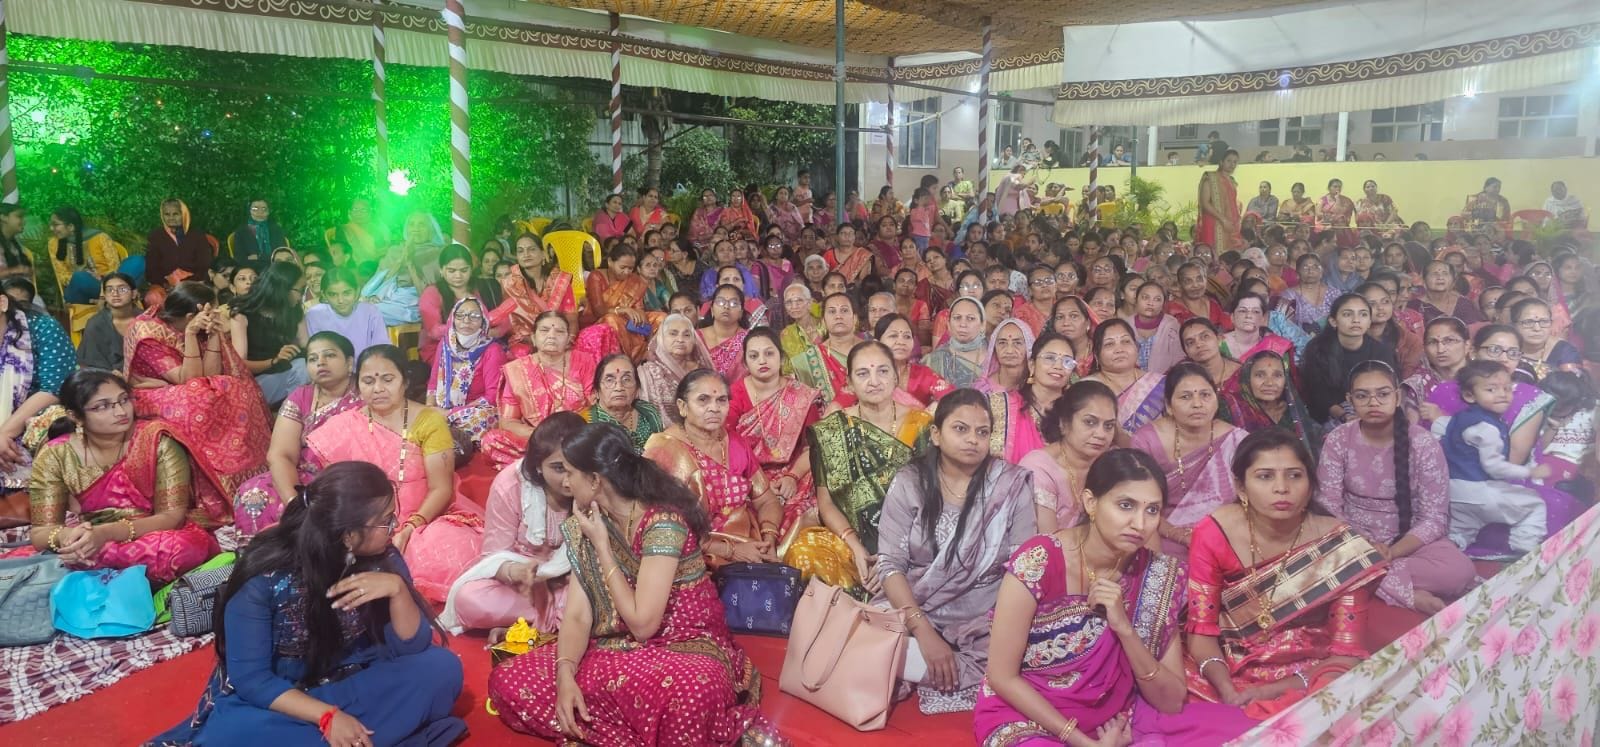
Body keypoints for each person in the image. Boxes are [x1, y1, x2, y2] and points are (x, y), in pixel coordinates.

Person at [487, 421, 780, 744]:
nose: (565, 482)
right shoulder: (586, 520)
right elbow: (578, 616)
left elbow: (643, 626)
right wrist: (565, 674)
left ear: (595, 480)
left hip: (683, 648)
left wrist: (603, 547)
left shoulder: (661, 521)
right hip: (613, 648)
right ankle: (638, 733)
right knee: (508, 681)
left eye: (570, 473)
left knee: (692, 695)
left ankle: (617, 730)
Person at [152, 462, 466, 747]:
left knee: (442, 669)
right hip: (289, 697)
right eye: (385, 521)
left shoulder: (383, 558)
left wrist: (398, 591)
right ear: (348, 536)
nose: (394, 527)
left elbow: (413, 648)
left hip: (361, 678)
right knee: (232, 735)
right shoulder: (264, 575)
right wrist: (327, 716)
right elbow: (252, 680)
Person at [976, 448, 1256, 746]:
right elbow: (1002, 676)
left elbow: (1172, 701)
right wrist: (1084, 742)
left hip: (1117, 716)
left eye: (1152, 510)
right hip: (1029, 714)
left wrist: (1124, 629)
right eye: (1126, 505)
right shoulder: (1038, 561)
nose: (1140, 523)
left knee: (1244, 735)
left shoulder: (1157, 575)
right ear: (1090, 502)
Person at [1186, 428, 1385, 721]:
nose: (1282, 488)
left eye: (1294, 475)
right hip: (1227, 666)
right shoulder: (1213, 532)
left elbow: (1346, 651)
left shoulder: (1340, 546)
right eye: (1265, 476)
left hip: (1310, 670)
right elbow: (1201, 630)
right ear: (1241, 488)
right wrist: (1226, 688)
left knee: (1339, 706)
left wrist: (1270, 691)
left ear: (1310, 485)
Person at [875, 389, 1037, 714]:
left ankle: (911, 665)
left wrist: (1002, 624)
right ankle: (922, 661)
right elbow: (890, 565)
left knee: (1029, 650)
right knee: (864, 631)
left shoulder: (1009, 485)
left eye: (982, 432)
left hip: (984, 615)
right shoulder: (910, 482)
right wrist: (923, 631)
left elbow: (1024, 568)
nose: (973, 439)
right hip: (917, 604)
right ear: (936, 434)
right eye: (960, 429)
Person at [306, 346, 483, 602]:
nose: (378, 388)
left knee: (452, 552)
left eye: (387, 379)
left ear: (405, 381)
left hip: (423, 520)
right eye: (368, 381)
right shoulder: (344, 426)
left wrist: (409, 527)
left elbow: (441, 489)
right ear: (358, 385)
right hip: (365, 521)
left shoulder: (428, 421)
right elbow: (338, 489)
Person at [24, 370, 228, 586]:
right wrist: (70, 538)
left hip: (153, 535)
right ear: (75, 416)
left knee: (181, 549)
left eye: (124, 400)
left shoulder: (157, 440)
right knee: (62, 557)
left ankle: (93, 570)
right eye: (102, 406)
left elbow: (172, 517)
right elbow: (41, 533)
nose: (120, 411)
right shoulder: (55, 454)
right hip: (91, 542)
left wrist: (106, 533)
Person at [1318, 361, 1475, 614]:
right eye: (1362, 396)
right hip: (1354, 539)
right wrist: (1365, 545)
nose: (1373, 402)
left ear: (1397, 396)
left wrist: (1391, 552)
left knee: (1460, 571)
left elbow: (1434, 517)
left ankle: (1370, 578)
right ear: (1350, 400)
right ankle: (1405, 591)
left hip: (1410, 539)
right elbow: (1330, 508)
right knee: (1317, 559)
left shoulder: (1423, 443)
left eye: (1382, 394)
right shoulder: (1338, 439)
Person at [123, 281, 271, 498]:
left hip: (187, 388)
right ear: (191, 316)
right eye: (212, 310)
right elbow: (189, 380)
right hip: (150, 394)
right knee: (199, 398)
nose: (217, 315)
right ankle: (217, 480)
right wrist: (191, 334)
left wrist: (213, 335)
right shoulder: (148, 332)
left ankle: (245, 471)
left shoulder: (200, 327)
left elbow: (209, 376)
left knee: (232, 387)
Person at [440, 413, 584, 634]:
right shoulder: (510, 485)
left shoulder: (594, 480)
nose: (569, 479)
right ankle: (558, 618)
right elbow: (494, 556)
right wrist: (517, 572)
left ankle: (544, 619)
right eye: (558, 468)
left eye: (577, 466)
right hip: (522, 587)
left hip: (576, 581)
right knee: (469, 598)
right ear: (538, 465)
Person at [232, 332, 363, 537]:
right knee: (253, 493)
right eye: (312, 358)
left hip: (350, 478)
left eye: (329, 355)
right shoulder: (301, 396)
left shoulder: (366, 393)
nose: (320, 362)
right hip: (304, 477)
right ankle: (269, 555)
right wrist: (293, 502)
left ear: (349, 363)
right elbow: (280, 454)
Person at [1130, 362, 1247, 553]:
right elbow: (1138, 503)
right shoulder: (1147, 440)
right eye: (1185, 397)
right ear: (1169, 406)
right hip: (1160, 533)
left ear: (1216, 400)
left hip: (1224, 534)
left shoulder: (1236, 441)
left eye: (1205, 395)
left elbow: (1250, 501)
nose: (1197, 404)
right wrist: (1181, 535)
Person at [727, 328, 820, 547]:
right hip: (747, 473)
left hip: (793, 471)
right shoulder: (734, 394)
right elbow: (724, 442)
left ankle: (789, 551)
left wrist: (792, 477)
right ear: (745, 363)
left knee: (808, 499)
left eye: (769, 353)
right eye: (754, 356)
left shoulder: (801, 395)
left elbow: (813, 447)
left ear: (781, 357)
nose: (762, 360)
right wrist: (759, 481)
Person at [483, 312, 598, 466]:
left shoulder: (583, 361)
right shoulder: (518, 370)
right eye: (544, 330)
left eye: (559, 331)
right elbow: (509, 421)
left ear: (568, 339)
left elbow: (596, 406)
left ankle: (542, 464)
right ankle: (555, 462)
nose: (552, 335)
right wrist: (541, 435)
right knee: (491, 441)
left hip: (576, 435)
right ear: (534, 338)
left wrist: (572, 433)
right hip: (539, 438)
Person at [1020, 380, 1117, 533]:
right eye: (1090, 422)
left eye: (1109, 426)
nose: (1101, 434)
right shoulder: (1038, 468)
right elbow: (1047, 542)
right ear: (1064, 423)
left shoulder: (1112, 465)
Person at [1299, 294, 1398, 424]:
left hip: (1372, 407)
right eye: (1347, 314)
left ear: (1369, 322)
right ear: (1333, 321)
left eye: (1363, 314)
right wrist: (1344, 416)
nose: (1356, 320)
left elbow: (1387, 390)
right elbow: (1318, 394)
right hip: (1331, 415)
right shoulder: (1317, 349)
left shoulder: (1381, 351)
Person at [988, 328, 1075, 464]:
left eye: (1067, 361)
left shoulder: (1074, 413)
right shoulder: (1001, 404)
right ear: (1032, 365)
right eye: (1050, 358)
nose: (1058, 366)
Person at [426, 297, 505, 447]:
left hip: (473, 412)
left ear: (483, 321)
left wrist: (450, 413)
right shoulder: (445, 344)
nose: (466, 320)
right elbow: (433, 381)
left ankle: (451, 435)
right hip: (442, 409)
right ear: (452, 319)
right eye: (460, 315)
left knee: (481, 418)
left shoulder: (492, 350)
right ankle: (453, 435)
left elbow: (492, 397)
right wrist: (430, 407)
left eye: (474, 316)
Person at [230, 261, 310, 406]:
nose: (301, 296)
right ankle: (292, 415)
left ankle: (293, 412)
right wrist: (274, 361)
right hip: (255, 384)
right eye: (300, 290)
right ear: (284, 289)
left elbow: (306, 344)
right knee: (301, 368)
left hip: (286, 375)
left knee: (307, 365)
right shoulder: (242, 314)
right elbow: (240, 364)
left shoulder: (294, 311)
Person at [490, 232, 578, 353]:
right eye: (520, 251)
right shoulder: (510, 284)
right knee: (521, 353)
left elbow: (571, 317)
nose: (526, 254)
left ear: (543, 254)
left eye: (531, 249)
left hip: (559, 338)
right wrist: (535, 339)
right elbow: (510, 320)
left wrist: (568, 340)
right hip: (527, 340)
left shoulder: (561, 280)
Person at [1223, 349, 1320, 457]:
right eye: (1260, 375)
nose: (1269, 383)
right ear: (1247, 378)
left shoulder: (1294, 412)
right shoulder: (1233, 410)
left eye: (1277, 375)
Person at [1080, 319, 1167, 434]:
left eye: (1126, 341)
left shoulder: (1159, 383)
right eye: (1109, 344)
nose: (1119, 350)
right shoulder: (1086, 388)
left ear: (1136, 347)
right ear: (1096, 355)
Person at [418, 243, 499, 366]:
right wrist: (470, 331)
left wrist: (493, 332)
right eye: (451, 271)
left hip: (480, 345)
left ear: (471, 269)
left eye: (464, 270)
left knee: (497, 355)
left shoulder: (480, 289)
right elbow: (434, 331)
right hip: (442, 350)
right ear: (441, 270)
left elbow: (503, 321)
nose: (458, 276)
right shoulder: (432, 293)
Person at [638, 312, 715, 424]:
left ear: (694, 340)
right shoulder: (648, 372)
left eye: (686, 335)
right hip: (662, 433)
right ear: (661, 338)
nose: (680, 339)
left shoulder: (702, 371)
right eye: (673, 334)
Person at [49, 206, 130, 312]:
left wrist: (101, 278)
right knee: (79, 277)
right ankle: (113, 300)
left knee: (136, 261)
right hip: (78, 290)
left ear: (71, 227)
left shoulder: (100, 237)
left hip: (105, 285)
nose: (51, 228)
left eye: (55, 225)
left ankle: (107, 299)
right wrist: (87, 277)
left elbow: (115, 267)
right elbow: (63, 276)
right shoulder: (54, 243)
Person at [581, 353, 664, 452]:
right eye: (609, 380)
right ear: (596, 392)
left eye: (626, 379)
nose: (619, 387)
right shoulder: (585, 423)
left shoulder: (648, 412)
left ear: (637, 390)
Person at [305, 268, 388, 361]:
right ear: (324, 295)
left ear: (357, 291)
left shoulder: (370, 311)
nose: (340, 300)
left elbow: (381, 349)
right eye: (333, 294)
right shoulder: (315, 315)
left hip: (367, 367)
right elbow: (316, 353)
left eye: (347, 293)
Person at [792, 292, 860, 403]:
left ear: (855, 318)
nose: (838, 316)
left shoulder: (873, 351)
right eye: (832, 312)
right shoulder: (808, 360)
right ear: (823, 321)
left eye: (844, 310)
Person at [145, 199, 215, 290]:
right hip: (164, 284)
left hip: (194, 282)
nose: (171, 218)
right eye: (167, 214)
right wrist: (164, 283)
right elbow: (152, 267)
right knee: (154, 296)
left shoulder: (197, 235)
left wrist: (186, 283)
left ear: (184, 214)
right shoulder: (156, 236)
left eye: (175, 214)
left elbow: (204, 265)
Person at [1358, 281, 1422, 376]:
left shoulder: (1410, 341)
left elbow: (1410, 378)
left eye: (1385, 302)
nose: (1380, 307)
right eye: (1372, 303)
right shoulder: (1352, 340)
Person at [78, 272, 139, 372]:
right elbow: (91, 365)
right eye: (110, 290)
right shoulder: (96, 324)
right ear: (105, 295)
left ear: (134, 294)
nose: (115, 294)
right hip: (108, 377)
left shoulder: (148, 320)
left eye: (122, 289)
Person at [1510, 297, 1581, 382]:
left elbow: (1572, 386)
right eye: (1528, 322)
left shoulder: (1564, 351)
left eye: (1544, 321)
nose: (1537, 328)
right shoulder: (1505, 349)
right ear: (1513, 325)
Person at [924, 296, 986, 389]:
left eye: (970, 318)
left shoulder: (994, 356)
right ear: (948, 324)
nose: (963, 324)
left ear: (982, 325)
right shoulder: (934, 360)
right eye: (957, 318)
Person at [1127, 283, 1185, 376]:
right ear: (1136, 300)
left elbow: (1179, 359)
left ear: (1163, 304)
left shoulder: (1172, 325)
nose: (1151, 303)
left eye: (1157, 299)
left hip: (1166, 380)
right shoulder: (1125, 325)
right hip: (1130, 379)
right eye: (1145, 297)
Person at [1408, 260, 1485, 326]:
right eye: (1434, 274)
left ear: (1453, 281)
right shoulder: (1415, 306)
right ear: (1424, 280)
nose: (1440, 277)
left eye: (1445, 274)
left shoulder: (1463, 304)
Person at [1197, 150, 1243, 253]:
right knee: (1212, 252)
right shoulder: (1210, 178)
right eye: (1229, 161)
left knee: (1228, 254)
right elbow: (1205, 203)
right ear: (1221, 162)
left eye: (1235, 162)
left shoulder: (1232, 182)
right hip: (1213, 221)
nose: (1232, 164)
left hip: (1230, 224)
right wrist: (1223, 220)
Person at [1180, 318, 1241, 392]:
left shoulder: (1242, 374)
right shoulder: (1180, 379)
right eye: (1191, 342)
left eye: (1205, 336)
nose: (1199, 344)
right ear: (1186, 351)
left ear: (1219, 339)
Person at [227, 198, 290, 264]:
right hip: (250, 267)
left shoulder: (276, 230)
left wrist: (258, 257)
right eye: (255, 209)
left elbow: (282, 254)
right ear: (249, 211)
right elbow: (239, 258)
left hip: (275, 266)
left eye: (264, 209)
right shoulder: (241, 232)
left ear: (268, 212)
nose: (260, 212)